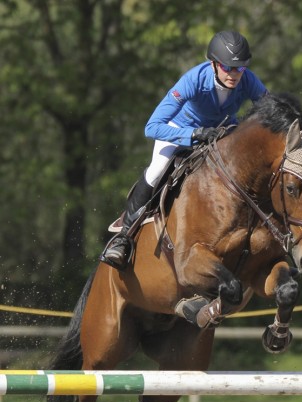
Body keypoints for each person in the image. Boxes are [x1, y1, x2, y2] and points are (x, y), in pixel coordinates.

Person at [100, 30, 268, 270]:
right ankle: (123, 237)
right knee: (157, 171)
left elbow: (271, 110)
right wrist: (193, 134)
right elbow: (152, 126)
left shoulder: (248, 80)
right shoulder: (193, 80)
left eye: (239, 69)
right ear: (213, 64)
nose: (234, 74)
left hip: (220, 132)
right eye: (227, 67)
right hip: (178, 131)